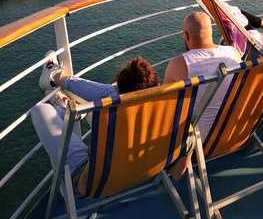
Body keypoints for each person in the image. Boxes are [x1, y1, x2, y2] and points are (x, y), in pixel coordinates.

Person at [31, 55, 193, 200]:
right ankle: (67, 98)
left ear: (119, 91)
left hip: (91, 185)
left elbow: (92, 162)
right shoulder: (179, 119)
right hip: (148, 172)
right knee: (108, 95)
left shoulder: (113, 125)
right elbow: (178, 174)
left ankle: (68, 104)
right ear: (157, 85)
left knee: (40, 110)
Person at [163, 12, 242, 139]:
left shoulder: (179, 63)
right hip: (235, 132)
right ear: (211, 32)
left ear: (186, 35)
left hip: (199, 140)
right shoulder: (233, 53)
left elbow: (163, 105)